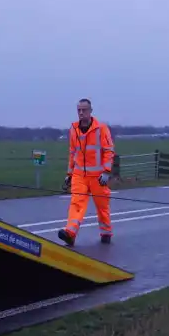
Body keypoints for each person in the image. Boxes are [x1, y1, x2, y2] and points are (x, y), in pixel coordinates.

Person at [58, 98, 115, 246]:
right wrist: (69, 175)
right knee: (76, 204)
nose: (81, 112)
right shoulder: (73, 129)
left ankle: (106, 232)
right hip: (79, 176)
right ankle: (70, 233)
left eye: (84, 110)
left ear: (91, 111)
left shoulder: (101, 128)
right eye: (79, 110)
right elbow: (72, 153)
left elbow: (108, 151)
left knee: (102, 206)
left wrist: (106, 171)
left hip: (98, 176)